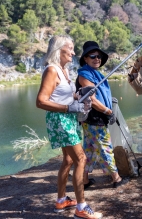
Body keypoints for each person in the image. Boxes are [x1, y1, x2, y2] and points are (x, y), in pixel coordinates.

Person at [36, 35, 102, 219]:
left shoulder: (63, 71)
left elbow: (63, 96)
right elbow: (41, 101)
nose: (73, 52)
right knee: (81, 159)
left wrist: (80, 95)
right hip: (60, 120)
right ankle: (81, 207)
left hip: (68, 118)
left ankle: (61, 200)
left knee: (69, 160)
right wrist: (68, 107)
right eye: (70, 48)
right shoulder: (51, 70)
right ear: (59, 50)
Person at [76, 41, 129, 189]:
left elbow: (99, 95)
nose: (96, 59)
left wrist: (109, 103)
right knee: (106, 147)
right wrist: (108, 111)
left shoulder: (97, 75)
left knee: (89, 149)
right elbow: (92, 100)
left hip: (92, 120)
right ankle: (116, 179)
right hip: (94, 119)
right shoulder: (84, 75)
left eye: (98, 56)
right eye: (92, 56)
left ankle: (84, 180)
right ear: (85, 58)